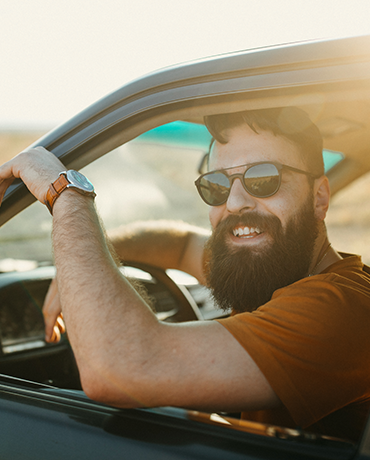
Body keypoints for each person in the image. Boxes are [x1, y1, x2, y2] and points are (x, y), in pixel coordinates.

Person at [0, 107, 369, 443]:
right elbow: (175, 245)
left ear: (319, 197)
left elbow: (118, 368)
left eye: (263, 179)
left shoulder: (341, 310)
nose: (235, 203)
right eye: (218, 185)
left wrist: (65, 191)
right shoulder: (271, 266)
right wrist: (79, 268)